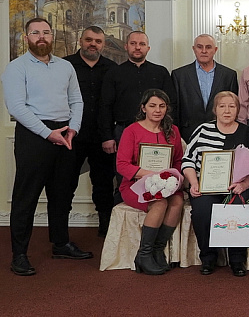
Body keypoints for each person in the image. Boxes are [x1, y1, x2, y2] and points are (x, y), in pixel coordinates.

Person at [2, 18, 90, 276]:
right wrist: (47, 133)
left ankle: (61, 244)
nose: (41, 36)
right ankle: (19, 255)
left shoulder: (65, 66)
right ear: (26, 38)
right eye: (35, 32)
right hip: (34, 135)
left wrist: (73, 128)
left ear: (52, 36)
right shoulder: (16, 67)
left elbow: (76, 100)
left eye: (46, 32)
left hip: (65, 133)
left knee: (62, 194)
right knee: (26, 197)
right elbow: (16, 107)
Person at [182, 91, 249, 277]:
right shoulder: (203, 130)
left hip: (236, 186)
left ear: (238, 109)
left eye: (232, 106)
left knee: (238, 208)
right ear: (215, 109)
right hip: (206, 186)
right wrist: (194, 183)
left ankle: (237, 260)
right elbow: (188, 160)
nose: (227, 110)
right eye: (222, 106)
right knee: (202, 211)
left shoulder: (246, 132)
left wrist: (245, 184)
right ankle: (208, 258)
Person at [116, 89, 185, 275]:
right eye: (152, 106)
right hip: (135, 185)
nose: (157, 110)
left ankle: (157, 250)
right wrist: (150, 174)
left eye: (162, 106)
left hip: (166, 183)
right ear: (143, 108)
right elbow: (122, 165)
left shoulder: (173, 131)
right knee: (159, 203)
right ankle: (143, 254)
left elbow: (178, 160)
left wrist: (173, 177)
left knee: (177, 202)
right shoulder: (131, 131)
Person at [63, 26, 118, 237]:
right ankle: (61, 233)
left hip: (103, 136)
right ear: (80, 41)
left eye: (98, 41)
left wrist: (109, 135)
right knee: (66, 183)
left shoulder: (112, 68)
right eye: (89, 40)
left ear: (103, 44)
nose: (93, 44)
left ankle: (105, 229)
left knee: (103, 183)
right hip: (72, 135)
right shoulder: (65, 66)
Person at [99, 30, 175, 156]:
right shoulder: (113, 73)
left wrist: (170, 132)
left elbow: (171, 104)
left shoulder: (160, 73)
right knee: (123, 167)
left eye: (142, 44)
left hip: (156, 130)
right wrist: (107, 137)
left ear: (148, 48)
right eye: (133, 43)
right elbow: (105, 106)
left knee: (156, 167)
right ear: (126, 46)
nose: (137, 47)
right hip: (123, 130)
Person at [171, 34, 239, 140]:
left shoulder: (229, 75)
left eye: (208, 47)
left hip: (221, 133)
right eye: (199, 47)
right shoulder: (179, 75)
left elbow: (234, 108)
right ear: (194, 49)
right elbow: (174, 108)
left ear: (215, 50)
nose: (204, 51)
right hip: (187, 133)